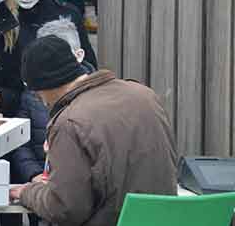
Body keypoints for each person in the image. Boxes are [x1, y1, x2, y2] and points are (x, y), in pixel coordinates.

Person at [11, 36, 178, 226]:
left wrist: (27, 192)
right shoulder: (145, 95)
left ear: (43, 86)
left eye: (37, 93)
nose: (42, 101)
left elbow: (65, 208)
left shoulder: (70, 122)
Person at [6, 18, 95, 226]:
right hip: (42, 186)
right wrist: (35, 174)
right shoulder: (32, 96)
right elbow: (21, 142)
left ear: (78, 55)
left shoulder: (86, 106)